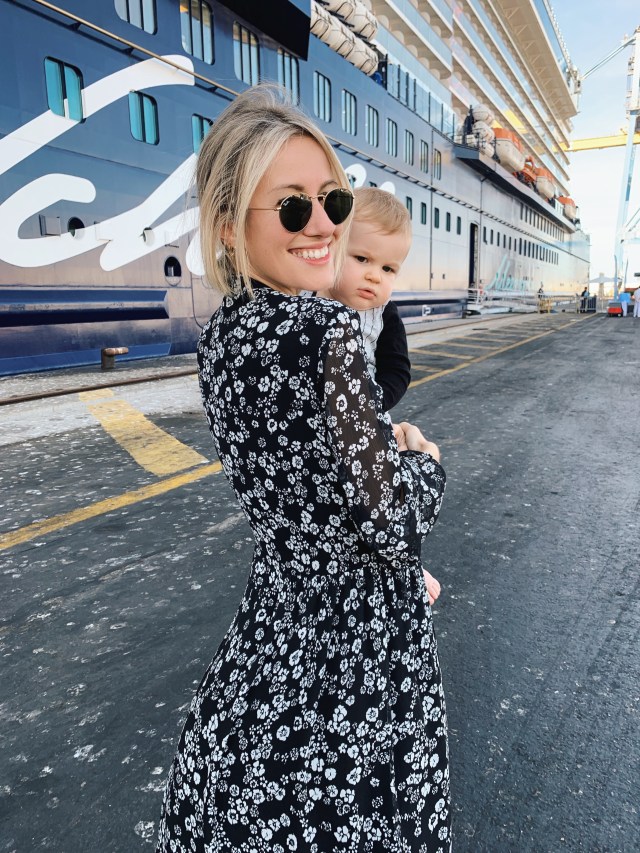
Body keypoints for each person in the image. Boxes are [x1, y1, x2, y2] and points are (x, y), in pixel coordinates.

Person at [156, 85, 451, 852]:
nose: (323, 224)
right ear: (229, 225)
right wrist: (423, 463)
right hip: (354, 665)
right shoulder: (325, 330)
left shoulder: (224, 336)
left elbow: (303, 487)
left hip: (272, 637)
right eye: (292, 207)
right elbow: (390, 523)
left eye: (332, 199)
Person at [331, 185, 441, 605]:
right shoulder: (309, 305)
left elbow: (397, 369)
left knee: (389, 499)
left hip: (365, 420)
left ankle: (408, 563)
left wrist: (371, 404)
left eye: (389, 268)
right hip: (320, 427)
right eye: (361, 259)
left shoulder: (383, 312)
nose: (375, 276)